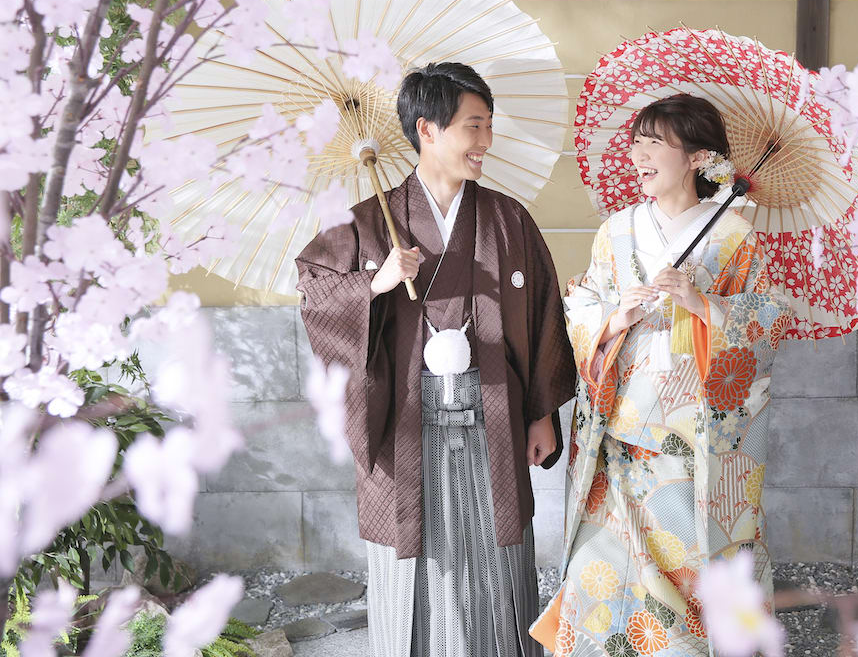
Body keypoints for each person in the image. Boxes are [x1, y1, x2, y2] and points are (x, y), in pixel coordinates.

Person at [295, 62, 576, 657]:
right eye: (474, 126)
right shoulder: (369, 222)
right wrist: (375, 283)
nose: (486, 141)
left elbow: (543, 314)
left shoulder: (507, 219)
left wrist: (540, 413)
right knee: (418, 566)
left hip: (494, 418)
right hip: (406, 423)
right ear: (427, 129)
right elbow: (316, 293)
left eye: (489, 125)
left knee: (498, 555)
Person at [531, 93, 792, 656]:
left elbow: (767, 324)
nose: (639, 155)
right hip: (618, 434)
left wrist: (701, 305)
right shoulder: (616, 231)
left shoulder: (734, 236)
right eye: (637, 143)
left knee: (691, 568)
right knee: (603, 568)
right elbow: (581, 304)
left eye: (654, 143)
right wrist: (614, 317)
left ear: (697, 158)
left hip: (693, 442)